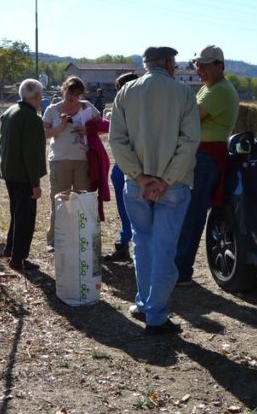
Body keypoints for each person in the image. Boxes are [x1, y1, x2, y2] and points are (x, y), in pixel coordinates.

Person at [109, 46, 200, 335]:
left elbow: (117, 141)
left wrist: (140, 177)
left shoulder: (125, 93)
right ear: (170, 63)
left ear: (147, 64)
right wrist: (167, 179)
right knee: (163, 248)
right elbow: (189, 141)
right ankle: (156, 314)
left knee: (143, 244)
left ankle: (143, 303)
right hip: (173, 185)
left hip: (136, 185)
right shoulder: (183, 93)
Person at [174, 45, 240, 284]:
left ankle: (181, 270)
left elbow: (190, 118)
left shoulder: (220, 91)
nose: (199, 69)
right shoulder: (210, 88)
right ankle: (179, 267)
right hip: (201, 155)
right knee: (188, 211)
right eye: (196, 65)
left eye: (204, 65)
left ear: (219, 66)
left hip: (206, 158)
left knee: (192, 214)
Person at [42, 76, 100, 251]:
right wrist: (60, 128)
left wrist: (88, 130)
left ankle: (82, 237)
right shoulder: (52, 109)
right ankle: (54, 239)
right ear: (63, 89)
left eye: (76, 94)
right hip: (60, 160)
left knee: (83, 200)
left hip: (83, 161)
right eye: (70, 92)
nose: (73, 97)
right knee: (59, 201)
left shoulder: (87, 107)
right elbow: (43, 133)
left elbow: (101, 125)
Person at [0, 79, 46, 273]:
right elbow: (31, 155)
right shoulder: (31, 119)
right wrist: (36, 184)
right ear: (35, 96)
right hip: (24, 176)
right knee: (25, 218)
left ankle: (10, 248)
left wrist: (9, 154)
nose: (41, 100)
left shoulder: (9, 112)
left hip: (9, 172)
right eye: (40, 96)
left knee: (16, 213)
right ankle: (19, 259)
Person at [104, 72, 139, 263]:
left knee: (127, 209)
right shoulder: (145, 108)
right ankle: (125, 244)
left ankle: (124, 244)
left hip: (125, 165)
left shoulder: (124, 106)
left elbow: (116, 137)